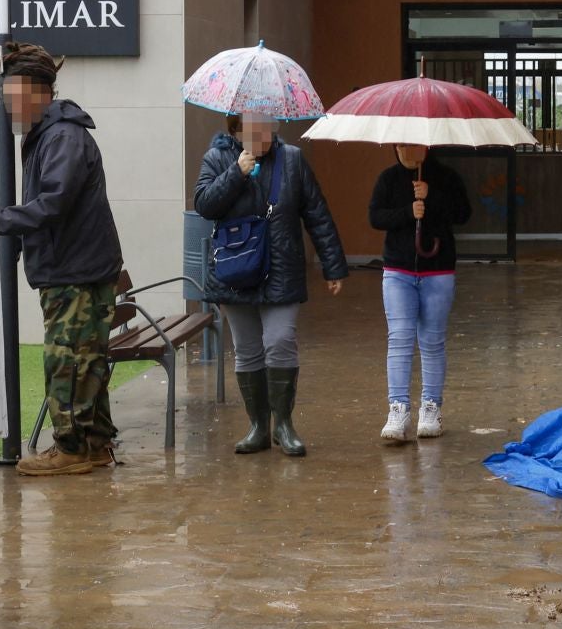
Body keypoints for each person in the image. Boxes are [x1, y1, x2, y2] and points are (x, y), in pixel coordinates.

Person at [0, 42, 125, 478]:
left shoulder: (62, 136)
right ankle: (94, 444)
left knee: (65, 361)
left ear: (37, 93)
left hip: (75, 271)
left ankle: (71, 449)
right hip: (76, 267)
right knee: (84, 361)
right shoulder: (50, 134)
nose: (7, 108)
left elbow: (53, 203)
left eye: (11, 99)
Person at [195, 113, 349, 458]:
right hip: (236, 272)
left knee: (280, 341)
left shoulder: (292, 159)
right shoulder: (218, 158)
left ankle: (283, 424)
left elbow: (317, 213)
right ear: (234, 131)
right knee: (248, 350)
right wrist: (236, 173)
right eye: (252, 130)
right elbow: (204, 205)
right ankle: (257, 427)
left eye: (266, 127)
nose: (262, 135)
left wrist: (332, 265)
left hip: (281, 267)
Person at [369, 145, 472, 444]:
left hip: (437, 270)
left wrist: (432, 198)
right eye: (403, 144)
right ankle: (398, 409)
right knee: (399, 337)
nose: (409, 150)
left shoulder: (447, 177)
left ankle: (431, 407)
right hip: (398, 270)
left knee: (432, 339)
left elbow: (463, 213)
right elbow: (375, 217)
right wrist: (407, 211)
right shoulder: (388, 179)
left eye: (415, 144)